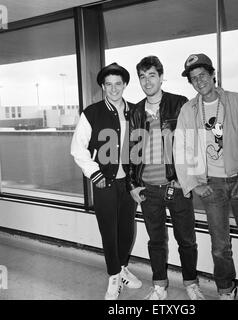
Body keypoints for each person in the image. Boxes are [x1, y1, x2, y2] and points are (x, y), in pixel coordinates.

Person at [174, 53, 238, 300]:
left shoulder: (236, 101)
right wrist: (194, 184)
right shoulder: (189, 110)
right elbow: (181, 149)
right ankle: (226, 290)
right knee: (220, 248)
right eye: (194, 78)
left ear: (212, 74)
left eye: (203, 75)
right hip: (211, 186)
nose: (199, 81)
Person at [128, 56, 204, 300]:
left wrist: (188, 178)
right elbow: (131, 153)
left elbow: (192, 144)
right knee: (156, 241)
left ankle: (191, 283)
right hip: (149, 189)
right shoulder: (136, 111)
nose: (147, 81)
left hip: (177, 185)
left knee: (187, 240)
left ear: (161, 77)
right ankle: (160, 285)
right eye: (142, 76)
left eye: (151, 75)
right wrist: (133, 185)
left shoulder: (179, 103)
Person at [71, 62, 142, 300]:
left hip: (128, 184)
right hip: (105, 183)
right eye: (109, 84)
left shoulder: (134, 112)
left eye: (118, 84)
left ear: (124, 85)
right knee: (108, 231)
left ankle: (122, 267)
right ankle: (113, 274)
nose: (114, 89)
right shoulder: (92, 112)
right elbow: (77, 149)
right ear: (103, 86)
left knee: (126, 229)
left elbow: (141, 147)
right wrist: (95, 173)